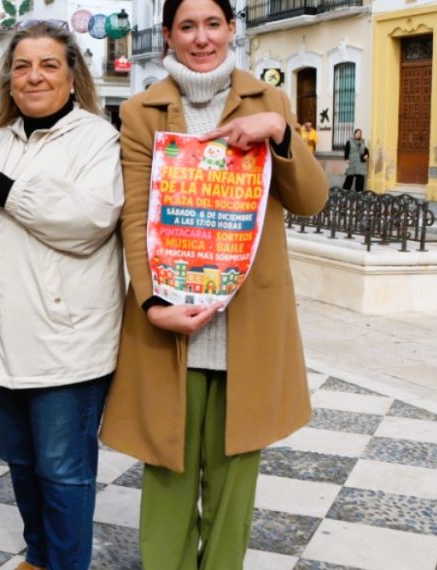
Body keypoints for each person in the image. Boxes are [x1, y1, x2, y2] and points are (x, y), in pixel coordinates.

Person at [99, 0, 329, 567]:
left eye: (212, 24)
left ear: (231, 29)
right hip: (171, 322)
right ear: (170, 36)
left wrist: (279, 133)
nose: (201, 38)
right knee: (168, 471)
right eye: (187, 27)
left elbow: (311, 200)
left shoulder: (271, 101)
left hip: (247, 324)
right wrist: (152, 302)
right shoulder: (140, 113)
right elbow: (134, 217)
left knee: (234, 484)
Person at [0, 21, 123, 570]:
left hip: (66, 345)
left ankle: (65, 563)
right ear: (9, 79)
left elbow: (90, 221)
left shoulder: (99, 140)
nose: (34, 77)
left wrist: (3, 187)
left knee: (64, 469)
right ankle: (38, 555)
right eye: (22, 66)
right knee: (20, 460)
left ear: (72, 77)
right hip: (2, 338)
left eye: (49, 65)